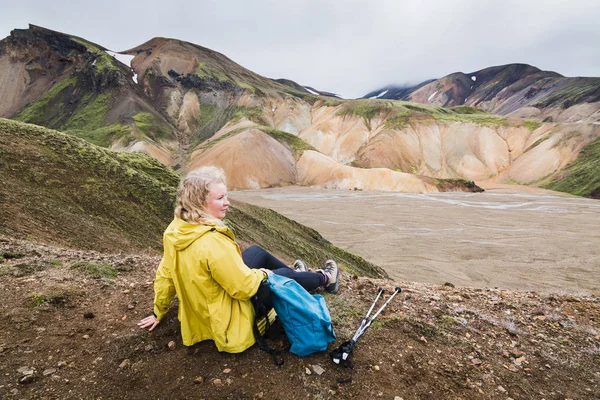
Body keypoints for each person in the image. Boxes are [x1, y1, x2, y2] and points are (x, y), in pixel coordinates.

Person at [138, 166, 339, 353]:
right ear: (199, 202)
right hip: (229, 321)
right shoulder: (212, 241)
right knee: (282, 276)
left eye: (226, 196)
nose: (227, 202)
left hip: (204, 312)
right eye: (220, 198)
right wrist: (263, 274)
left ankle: (300, 276)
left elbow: (165, 276)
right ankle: (325, 279)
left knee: (256, 253)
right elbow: (242, 287)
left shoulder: (175, 230)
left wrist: (159, 311)